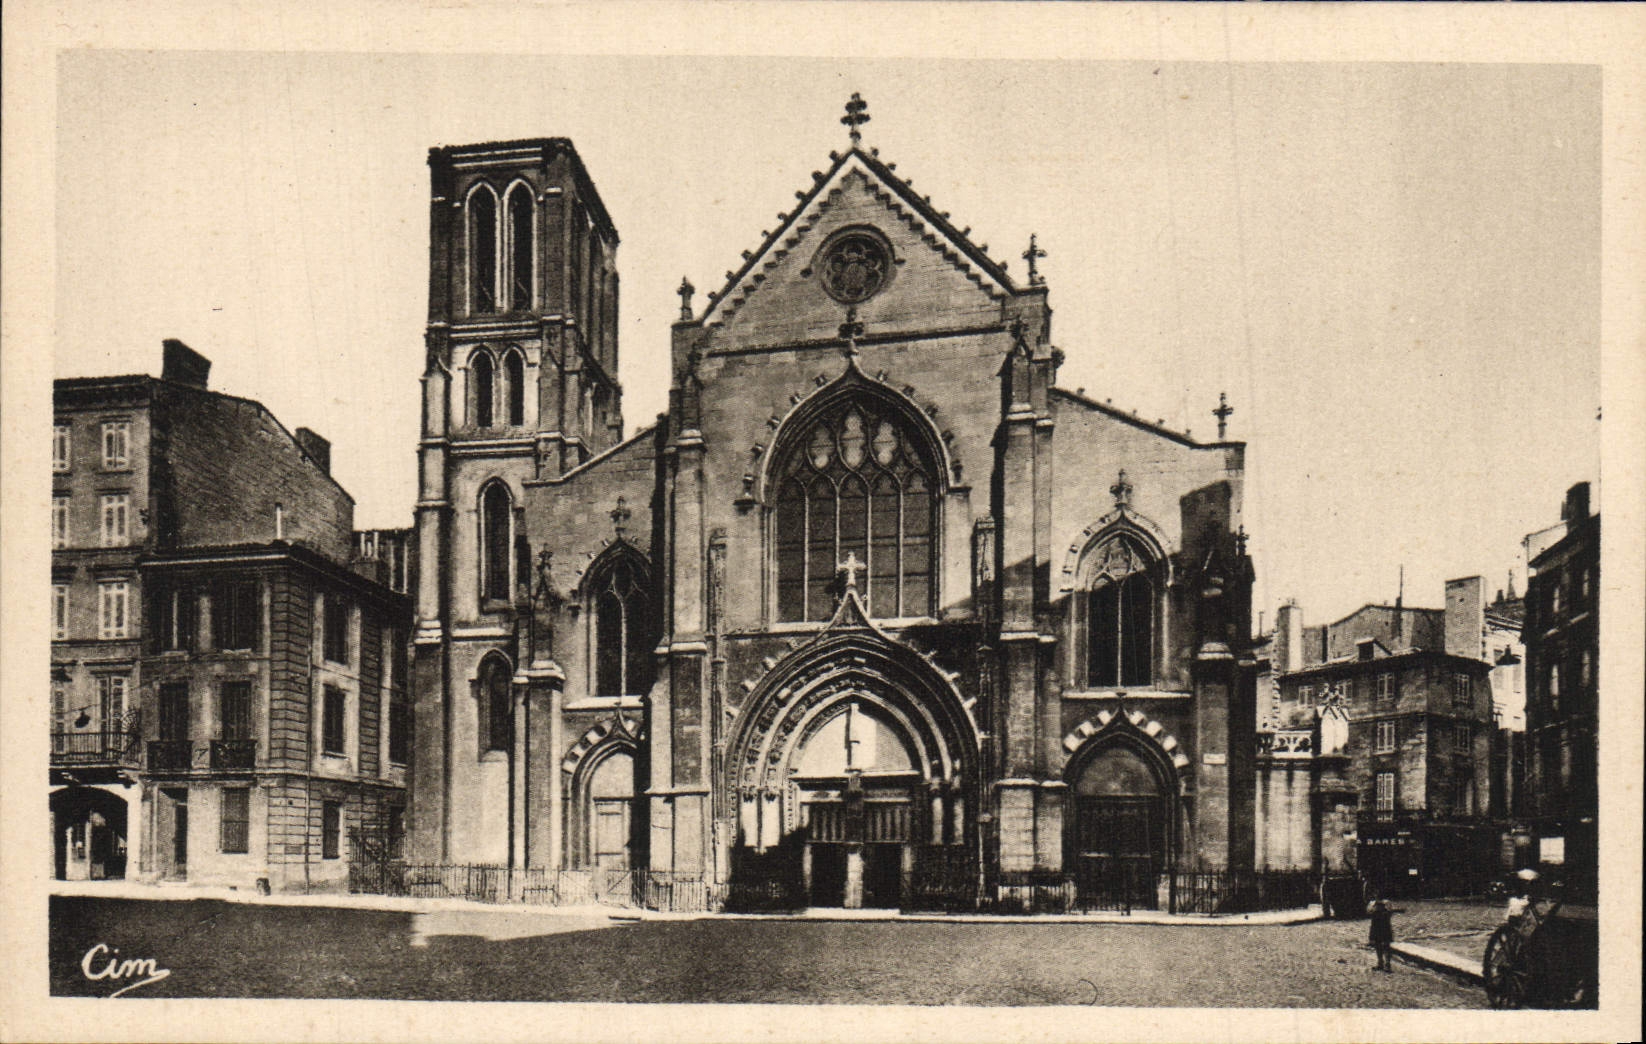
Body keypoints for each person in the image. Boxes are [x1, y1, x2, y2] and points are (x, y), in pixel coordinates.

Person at [1367, 894, 1395, 972]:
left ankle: (1388, 964)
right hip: (1376, 926)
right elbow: (1368, 912)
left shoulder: (1387, 903)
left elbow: (1389, 913)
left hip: (1384, 926)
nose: (1377, 895)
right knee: (1377, 944)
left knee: (1386, 944)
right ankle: (1380, 962)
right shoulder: (1372, 903)